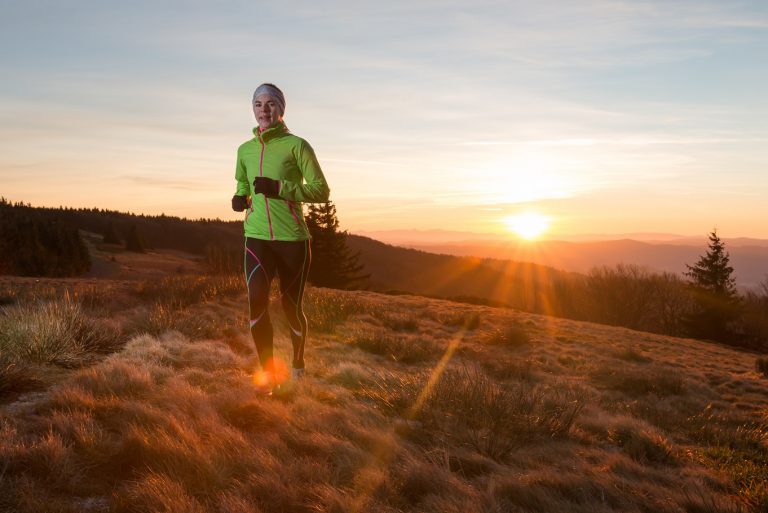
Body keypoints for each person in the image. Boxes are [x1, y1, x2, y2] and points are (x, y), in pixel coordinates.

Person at [231, 83, 330, 393]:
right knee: (256, 303)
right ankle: (268, 375)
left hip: (292, 241)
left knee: (291, 307)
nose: (264, 109)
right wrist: (239, 198)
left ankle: (298, 363)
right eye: (258, 103)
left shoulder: (297, 146)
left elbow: (321, 192)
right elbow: (243, 186)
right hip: (256, 237)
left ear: (281, 109)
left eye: (271, 103)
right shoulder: (244, 150)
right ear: (253, 109)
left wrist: (280, 188)